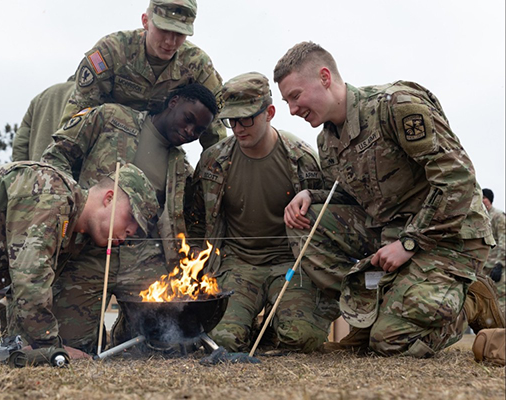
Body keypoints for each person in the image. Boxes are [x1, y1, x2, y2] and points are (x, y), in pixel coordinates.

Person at [273, 41, 504, 357]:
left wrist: (410, 243)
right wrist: (309, 195)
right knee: (305, 218)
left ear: (325, 77)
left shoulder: (394, 106)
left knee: (390, 343)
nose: (292, 110)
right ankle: (372, 312)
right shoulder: (326, 142)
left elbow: (458, 178)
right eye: (287, 102)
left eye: (296, 96)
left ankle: (471, 300)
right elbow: (351, 197)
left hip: (450, 238)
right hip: (390, 236)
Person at [0, 162, 158, 359]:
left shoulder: (70, 238)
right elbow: (29, 281)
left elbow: (19, 295)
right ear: (109, 198)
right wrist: (49, 346)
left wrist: (23, 345)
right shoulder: (50, 191)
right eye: (132, 219)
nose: (131, 232)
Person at [36, 83, 218, 352]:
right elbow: (55, 157)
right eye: (188, 119)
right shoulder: (110, 118)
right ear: (173, 101)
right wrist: (71, 206)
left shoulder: (180, 165)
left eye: (198, 131)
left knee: (159, 345)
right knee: (72, 346)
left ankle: (126, 332)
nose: (189, 131)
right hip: (87, 253)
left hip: (143, 261)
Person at [186, 72, 333, 353]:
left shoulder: (302, 159)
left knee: (303, 339)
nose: (238, 128)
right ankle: (246, 328)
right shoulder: (213, 161)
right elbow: (196, 219)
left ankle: (274, 328)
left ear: (270, 113)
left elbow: (330, 210)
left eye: (247, 118)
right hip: (238, 265)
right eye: (232, 120)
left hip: (289, 264)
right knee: (222, 341)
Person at [60, 0, 225, 150]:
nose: (170, 41)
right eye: (164, 30)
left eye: (179, 34)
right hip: (105, 144)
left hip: (159, 149)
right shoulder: (112, 51)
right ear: (145, 21)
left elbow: (215, 133)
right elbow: (79, 113)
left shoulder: (197, 66)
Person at [12, 77, 75, 162]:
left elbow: (20, 143)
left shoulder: (40, 98)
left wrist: (24, 171)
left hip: (37, 171)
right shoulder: (88, 98)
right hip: (68, 171)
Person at [482, 188, 505, 310]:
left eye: (484, 198)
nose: (482, 201)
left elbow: (503, 240)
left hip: (497, 266)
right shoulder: (482, 218)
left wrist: (500, 264)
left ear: (489, 200)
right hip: (485, 266)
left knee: (501, 302)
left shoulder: (498, 216)